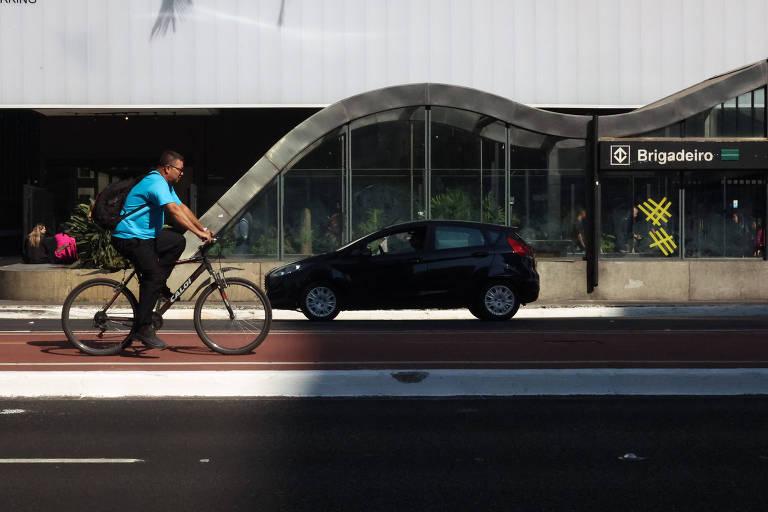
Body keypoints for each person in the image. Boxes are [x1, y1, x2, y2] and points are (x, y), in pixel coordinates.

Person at [111, 150, 213, 349]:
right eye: (179, 170)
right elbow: (173, 211)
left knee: (176, 242)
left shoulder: (164, 184)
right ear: (167, 168)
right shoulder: (156, 182)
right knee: (153, 276)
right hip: (129, 237)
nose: (182, 174)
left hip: (146, 236)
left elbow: (181, 207)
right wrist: (197, 234)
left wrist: (203, 229)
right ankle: (143, 327)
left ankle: (157, 287)